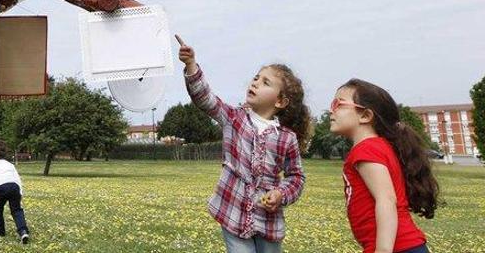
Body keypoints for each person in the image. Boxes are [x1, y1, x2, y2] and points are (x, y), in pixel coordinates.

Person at [178, 35, 309, 253]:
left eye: (265, 82)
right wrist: (191, 65)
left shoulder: (287, 138)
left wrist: (280, 194)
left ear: (280, 101)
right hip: (233, 211)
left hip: (268, 221)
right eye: (256, 78)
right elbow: (205, 98)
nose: (256, 82)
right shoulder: (234, 118)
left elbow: (296, 177)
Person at [329, 79, 438, 253]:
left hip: (397, 248)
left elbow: (386, 200)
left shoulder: (366, 149)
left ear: (365, 116)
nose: (331, 110)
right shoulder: (378, 147)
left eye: (338, 104)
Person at [0, 140, 30, 244]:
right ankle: (23, 231)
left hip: (1, 187)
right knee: (17, 210)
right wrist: (20, 193)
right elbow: (17, 178)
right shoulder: (10, 164)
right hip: (14, 187)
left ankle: (0, 232)